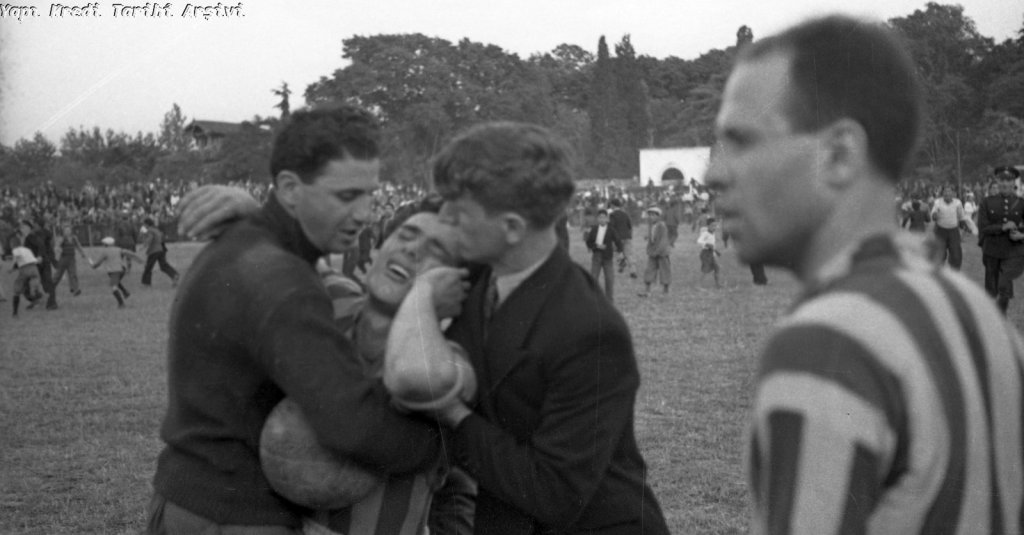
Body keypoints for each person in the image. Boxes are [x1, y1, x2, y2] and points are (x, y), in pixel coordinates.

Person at [705, 15, 1024, 533]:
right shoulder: (982, 318)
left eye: (741, 141)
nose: (713, 174)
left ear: (838, 154)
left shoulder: (827, 341)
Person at [147, 105, 446, 535]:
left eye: (369, 194)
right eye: (346, 196)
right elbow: (353, 426)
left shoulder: (247, 246)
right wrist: (443, 443)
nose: (364, 214)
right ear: (289, 188)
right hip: (234, 517)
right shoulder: (284, 281)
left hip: (188, 499)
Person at [175, 186, 477, 535]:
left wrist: (421, 295)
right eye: (406, 235)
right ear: (380, 247)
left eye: (436, 251)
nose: (412, 249)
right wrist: (252, 212)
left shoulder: (454, 360)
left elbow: (413, 377)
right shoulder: (330, 300)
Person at [429, 121, 670, 534]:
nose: (443, 218)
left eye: (458, 210)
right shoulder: (473, 276)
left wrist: (452, 415)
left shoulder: (588, 329)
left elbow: (555, 492)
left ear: (511, 228)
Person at [978, 165, 1024, 314]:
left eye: (1009, 180)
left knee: (1004, 291)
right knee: (991, 291)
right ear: (997, 181)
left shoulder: (1021, 203)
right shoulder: (986, 202)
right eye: (1002, 180)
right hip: (991, 251)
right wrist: (1002, 227)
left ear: (1014, 183)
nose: (1005, 184)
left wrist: (1021, 235)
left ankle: (1001, 320)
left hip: (1011, 253)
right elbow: (983, 227)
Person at [89, 236, 144, 308]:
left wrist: (93, 266)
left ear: (105, 244)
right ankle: (125, 292)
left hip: (114, 271)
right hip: (122, 270)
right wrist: (140, 260)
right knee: (116, 281)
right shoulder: (119, 249)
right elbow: (130, 254)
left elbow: (98, 263)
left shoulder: (105, 251)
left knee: (114, 288)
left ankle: (121, 304)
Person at [930, 185, 972, 270]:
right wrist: (935, 215)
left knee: (956, 255)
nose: (947, 193)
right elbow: (933, 213)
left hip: (953, 232)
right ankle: (938, 273)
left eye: (949, 191)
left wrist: (966, 226)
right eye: (945, 191)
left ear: (953, 193)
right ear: (942, 193)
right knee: (939, 255)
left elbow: (961, 216)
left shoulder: (958, 203)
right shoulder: (938, 202)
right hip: (940, 231)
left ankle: (954, 273)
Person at [584, 208, 622, 302]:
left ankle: (609, 300)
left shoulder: (611, 229)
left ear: (607, 219)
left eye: (604, 217)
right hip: (596, 256)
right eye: (600, 217)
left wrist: (620, 251)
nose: (602, 219)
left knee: (609, 279)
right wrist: (596, 246)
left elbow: (618, 240)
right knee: (593, 277)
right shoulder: (594, 229)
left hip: (607, 257)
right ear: (597, 219)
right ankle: (592, 298)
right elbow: (589, 242)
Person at [22, 219, 58, 310]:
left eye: (23, 226)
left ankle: (51, 303)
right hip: (36, 262)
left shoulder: (35, 235)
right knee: (29, 283)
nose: (22, 228)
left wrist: (40, 256)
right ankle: (39, 300)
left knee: (46, 283)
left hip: (41, 261)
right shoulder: (29, 236)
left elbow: (42, 245)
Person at [139, 217, 180, 287]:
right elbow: (160, 237)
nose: (144, 226)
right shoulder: (156, 230)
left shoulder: (150, 230)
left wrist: (143, 246)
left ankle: (146, 283)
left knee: (148, 267)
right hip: (160, 249)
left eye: (144, 224)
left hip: (153, 250)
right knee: (163, 265)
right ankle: (174, 274)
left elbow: (150, 239)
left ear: (147, 224)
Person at [640, 206, 671, 297]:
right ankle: (647, 291)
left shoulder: (662, 226)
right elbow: (651, 237)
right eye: (650, 215)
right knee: (649, 270)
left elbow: (663, 240)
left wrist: (658, 251)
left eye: (653, 215)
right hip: (652, 252)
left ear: (658, 216)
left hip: (662, 252)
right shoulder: (651, 226)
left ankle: (665, 291)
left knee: (664, 270)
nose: (651, 217)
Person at [9, 240, 44, 316]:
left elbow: (16, 259)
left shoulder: (16, 250)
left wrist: (11, 268)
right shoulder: (27, 249)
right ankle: (36, 295)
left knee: (17, 290)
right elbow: (29, 259)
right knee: (29, 287)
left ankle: (15, 313)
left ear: (13, 244)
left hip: (25, 269)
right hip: (34, 268)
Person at [51, 224, 87, 297]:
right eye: (66, 230)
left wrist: (82, 253)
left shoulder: (74, 238)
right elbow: (57, 246)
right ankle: (51, 287)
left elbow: (78, 246)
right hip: (64, 258)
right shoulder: (62, 238)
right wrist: (57, 250)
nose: (68, 231)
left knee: (73, 274)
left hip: (71, 259)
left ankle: (76, 290)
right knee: (58, 275)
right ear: (63, 231)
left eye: (69, 230)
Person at [608, 198, 638, 279]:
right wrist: (629, 235)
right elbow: (630, 226)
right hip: (627, 237)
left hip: (618, 238)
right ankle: (633, 271)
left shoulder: (612, 215)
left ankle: (622, 263)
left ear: (613, 205)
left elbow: (611, 227)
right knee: (629, 254)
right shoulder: (625, 214)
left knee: (618, 252)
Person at [696, 217, 722, 289]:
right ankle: (698, 285)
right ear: (708, 226)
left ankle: (718, 284)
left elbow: (712, 245)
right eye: (712, 225)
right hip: (705, 254)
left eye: (715, 225)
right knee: (705, 270)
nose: (714, 227)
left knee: (717, 268)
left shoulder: (713, 234)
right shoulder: (705, 233)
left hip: (711, 253)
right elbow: (699, 241)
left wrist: (716, 251)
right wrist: (706, 244)